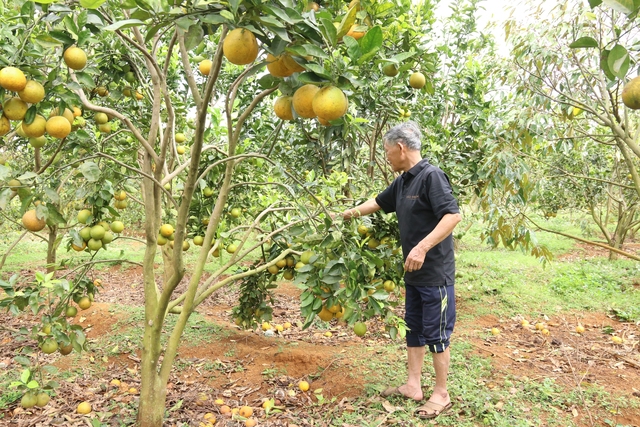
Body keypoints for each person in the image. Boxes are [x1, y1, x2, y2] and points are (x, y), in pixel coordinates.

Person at [338, 121, 461, 419]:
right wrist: (345, 214)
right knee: (414, 329)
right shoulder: (404, 180)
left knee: (437, 333)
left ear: (401, 147)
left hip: (435, 274)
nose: (386, 156)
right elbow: (378, 203)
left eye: (387, 151)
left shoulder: (432, 176)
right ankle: (413, 385)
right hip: (414, 273)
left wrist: (422, 247)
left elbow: (452, 216)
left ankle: (441, 394)